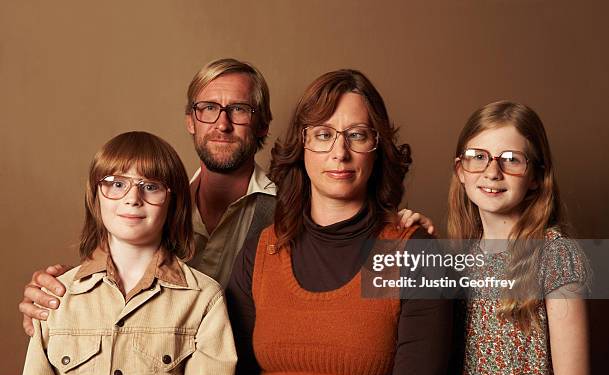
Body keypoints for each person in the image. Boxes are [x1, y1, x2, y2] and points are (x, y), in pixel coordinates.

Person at [19, 58, 432, 336]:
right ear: (190, 121)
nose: (222, 123)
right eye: (208, 109)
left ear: (263, 125)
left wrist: (404, 230)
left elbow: (349, 234)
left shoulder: (295, 207)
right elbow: (111, 281)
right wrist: (58, 294)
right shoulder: (149, 202)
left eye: (239, 110)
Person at [227, 69, 452, 375]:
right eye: (323, 134)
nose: (339, 152)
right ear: (302, 145)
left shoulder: (417, 255)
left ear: (378, 147)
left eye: (357, 135)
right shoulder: (260, 252)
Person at [21, 131, 236, 375]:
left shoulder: (205, 300)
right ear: (95, 195)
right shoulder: (56, 296)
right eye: (116, 183)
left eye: (151, 186)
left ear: (173, 202)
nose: (133, 198)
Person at [448, 101, 590, 375]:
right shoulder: (459, 258)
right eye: (478, 157)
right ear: (461, 170)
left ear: (536, 176)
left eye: (512, 159)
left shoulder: (555, 254)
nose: (493, 172)